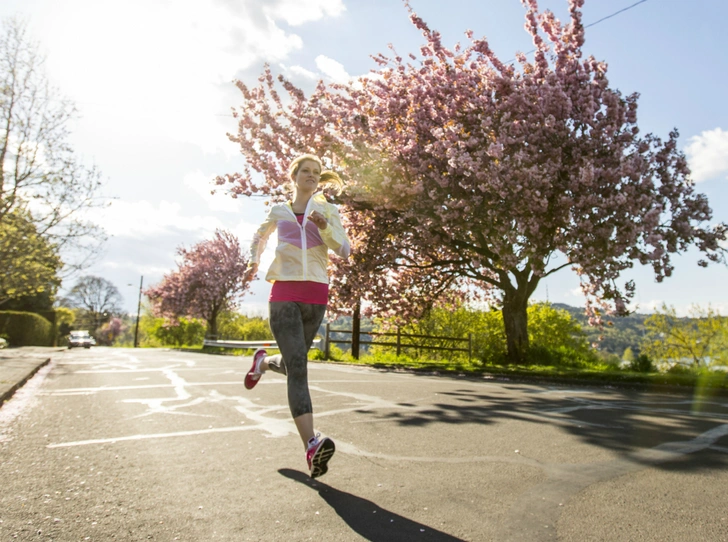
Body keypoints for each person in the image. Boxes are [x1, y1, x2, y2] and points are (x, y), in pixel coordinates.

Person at [243, 153, 350, 479]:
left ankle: (262, 363)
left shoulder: (328, 211)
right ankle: (312, 444)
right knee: (299, 368)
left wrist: (326, 227)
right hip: (285, 294)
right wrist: (253, 261)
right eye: (306, 171)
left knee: (292, 363)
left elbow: (344, 249)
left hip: (316, 294)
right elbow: (260, 236)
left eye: (317, 172)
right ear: (294, 175)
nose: (312, 176)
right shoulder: (280, 211)